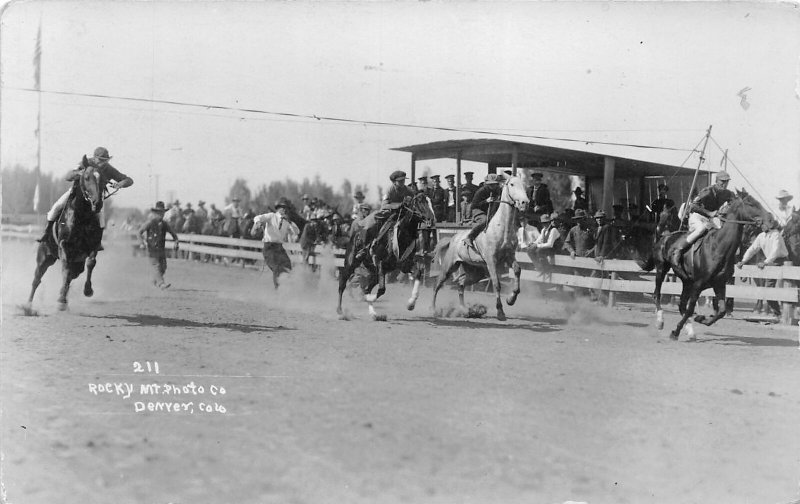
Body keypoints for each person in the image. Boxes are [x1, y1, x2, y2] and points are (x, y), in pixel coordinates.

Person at [38, 146, 133, 249]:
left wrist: (120, 184)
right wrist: (79, 173)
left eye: (105, 160)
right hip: (76, 194)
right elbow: (68, 176)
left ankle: (97, 243)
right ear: (94, 158)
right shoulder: (85, 163)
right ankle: (46, 233)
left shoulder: (109, 169)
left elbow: (129, 180)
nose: (102, 163)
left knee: (101, 220)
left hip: (96, 198)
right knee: (57, 206)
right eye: (100, 160)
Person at [670, 171, 734, 265]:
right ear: (716, 181)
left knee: (721, 234)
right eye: (722, 181)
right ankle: (678, 250)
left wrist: (727, 209)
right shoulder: (707, 191)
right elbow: (692, 206)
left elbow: (734, 202)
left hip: (709, 220)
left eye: (726, 182)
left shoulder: (728, 193)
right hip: (697, 217)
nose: (724, 184)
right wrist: (710, 213)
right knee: (701, 229)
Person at [736, 213, 789, 317]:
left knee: (769, 288)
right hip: (771, 261)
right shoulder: (761, 236)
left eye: (763, 223)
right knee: (766, 289)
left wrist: (765, 262)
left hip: (780, 261)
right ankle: (777, 312)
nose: (761, 226)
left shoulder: (776, 235)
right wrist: (743, 261)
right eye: (761, 224)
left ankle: (777, 313)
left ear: (770, 224)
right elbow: (752, 249)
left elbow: (775, 251)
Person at [253, 198, 300, 289]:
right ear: (278, 208)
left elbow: (297, 232)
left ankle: (285, 289)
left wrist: (290, 221)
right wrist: (258, 223)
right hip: (269, 247)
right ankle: (278, 291)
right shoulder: (271, 216)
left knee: (288, 266)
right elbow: (257, 217)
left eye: (286, 208)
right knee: (277, 268)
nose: (284, 210)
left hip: (279, 248)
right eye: (282, 207)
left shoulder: (287, 221)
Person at [138, 201, 179, 289]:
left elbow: (173, 234)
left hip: (161, 249)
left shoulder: (165, 224)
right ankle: (161, 283)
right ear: (155, 213)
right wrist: (141, 243)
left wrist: (176, 242)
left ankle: (154, 281)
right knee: (156, 266)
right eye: (159, 212)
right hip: (152, 249)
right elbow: (139, 232)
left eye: (162, 212)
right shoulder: (149, 222)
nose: (161, 214)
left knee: (163, 267)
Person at [463, 174, 503, 248]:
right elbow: (474, 205)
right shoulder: (481, 191)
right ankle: (469, 237)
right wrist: (486, 201)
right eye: (491, 185)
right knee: (484, 220)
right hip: (478, 210)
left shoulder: (499, 190)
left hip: (490, 211)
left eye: (495, 184)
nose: (493, 186)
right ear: (487, 184)